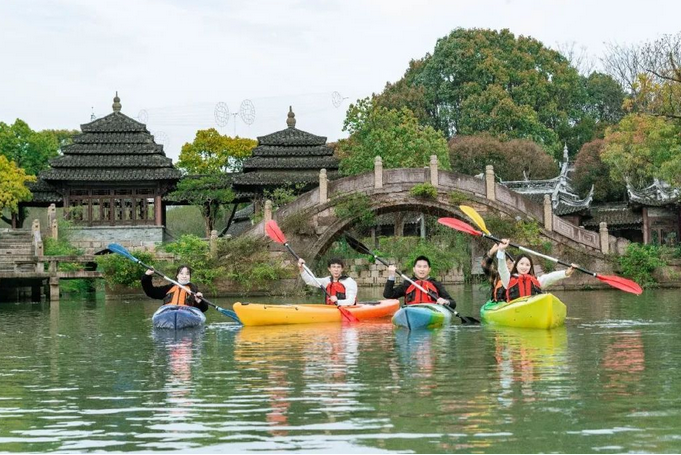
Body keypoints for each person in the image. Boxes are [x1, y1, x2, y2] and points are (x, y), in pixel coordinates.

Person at [496, 239, 576, 301]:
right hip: (515, 310)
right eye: (521, 264)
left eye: (527, 265)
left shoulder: (535, 281)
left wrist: (565, 273)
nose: (524, 267)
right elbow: (502, 268)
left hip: (532, 309)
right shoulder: (508, 280)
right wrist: (501, 250)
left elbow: (550, 277)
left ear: (530, 267)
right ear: (516, 266)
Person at [383, 255, 456, 307]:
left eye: (425, 267)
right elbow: (388, 295)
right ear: (414, 269)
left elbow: (453, 303)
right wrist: (391, 275)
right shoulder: (408, 283)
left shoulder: (435, 284)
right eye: (419, 266)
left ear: (429, 269)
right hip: (412, 311)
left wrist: (445, 301)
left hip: (431, 312)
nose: (422, 269)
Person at [141, 265, 208, 312]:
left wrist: (200, 302)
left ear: (190, 276)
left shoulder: (194, 290)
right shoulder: (169, 288)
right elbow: (150, 292)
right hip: (169, 314)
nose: (184, 276)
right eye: (181, 273)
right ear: (177, 276)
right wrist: (146, 276)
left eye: (187, 274)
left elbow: (204, 308)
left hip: (187, 315)